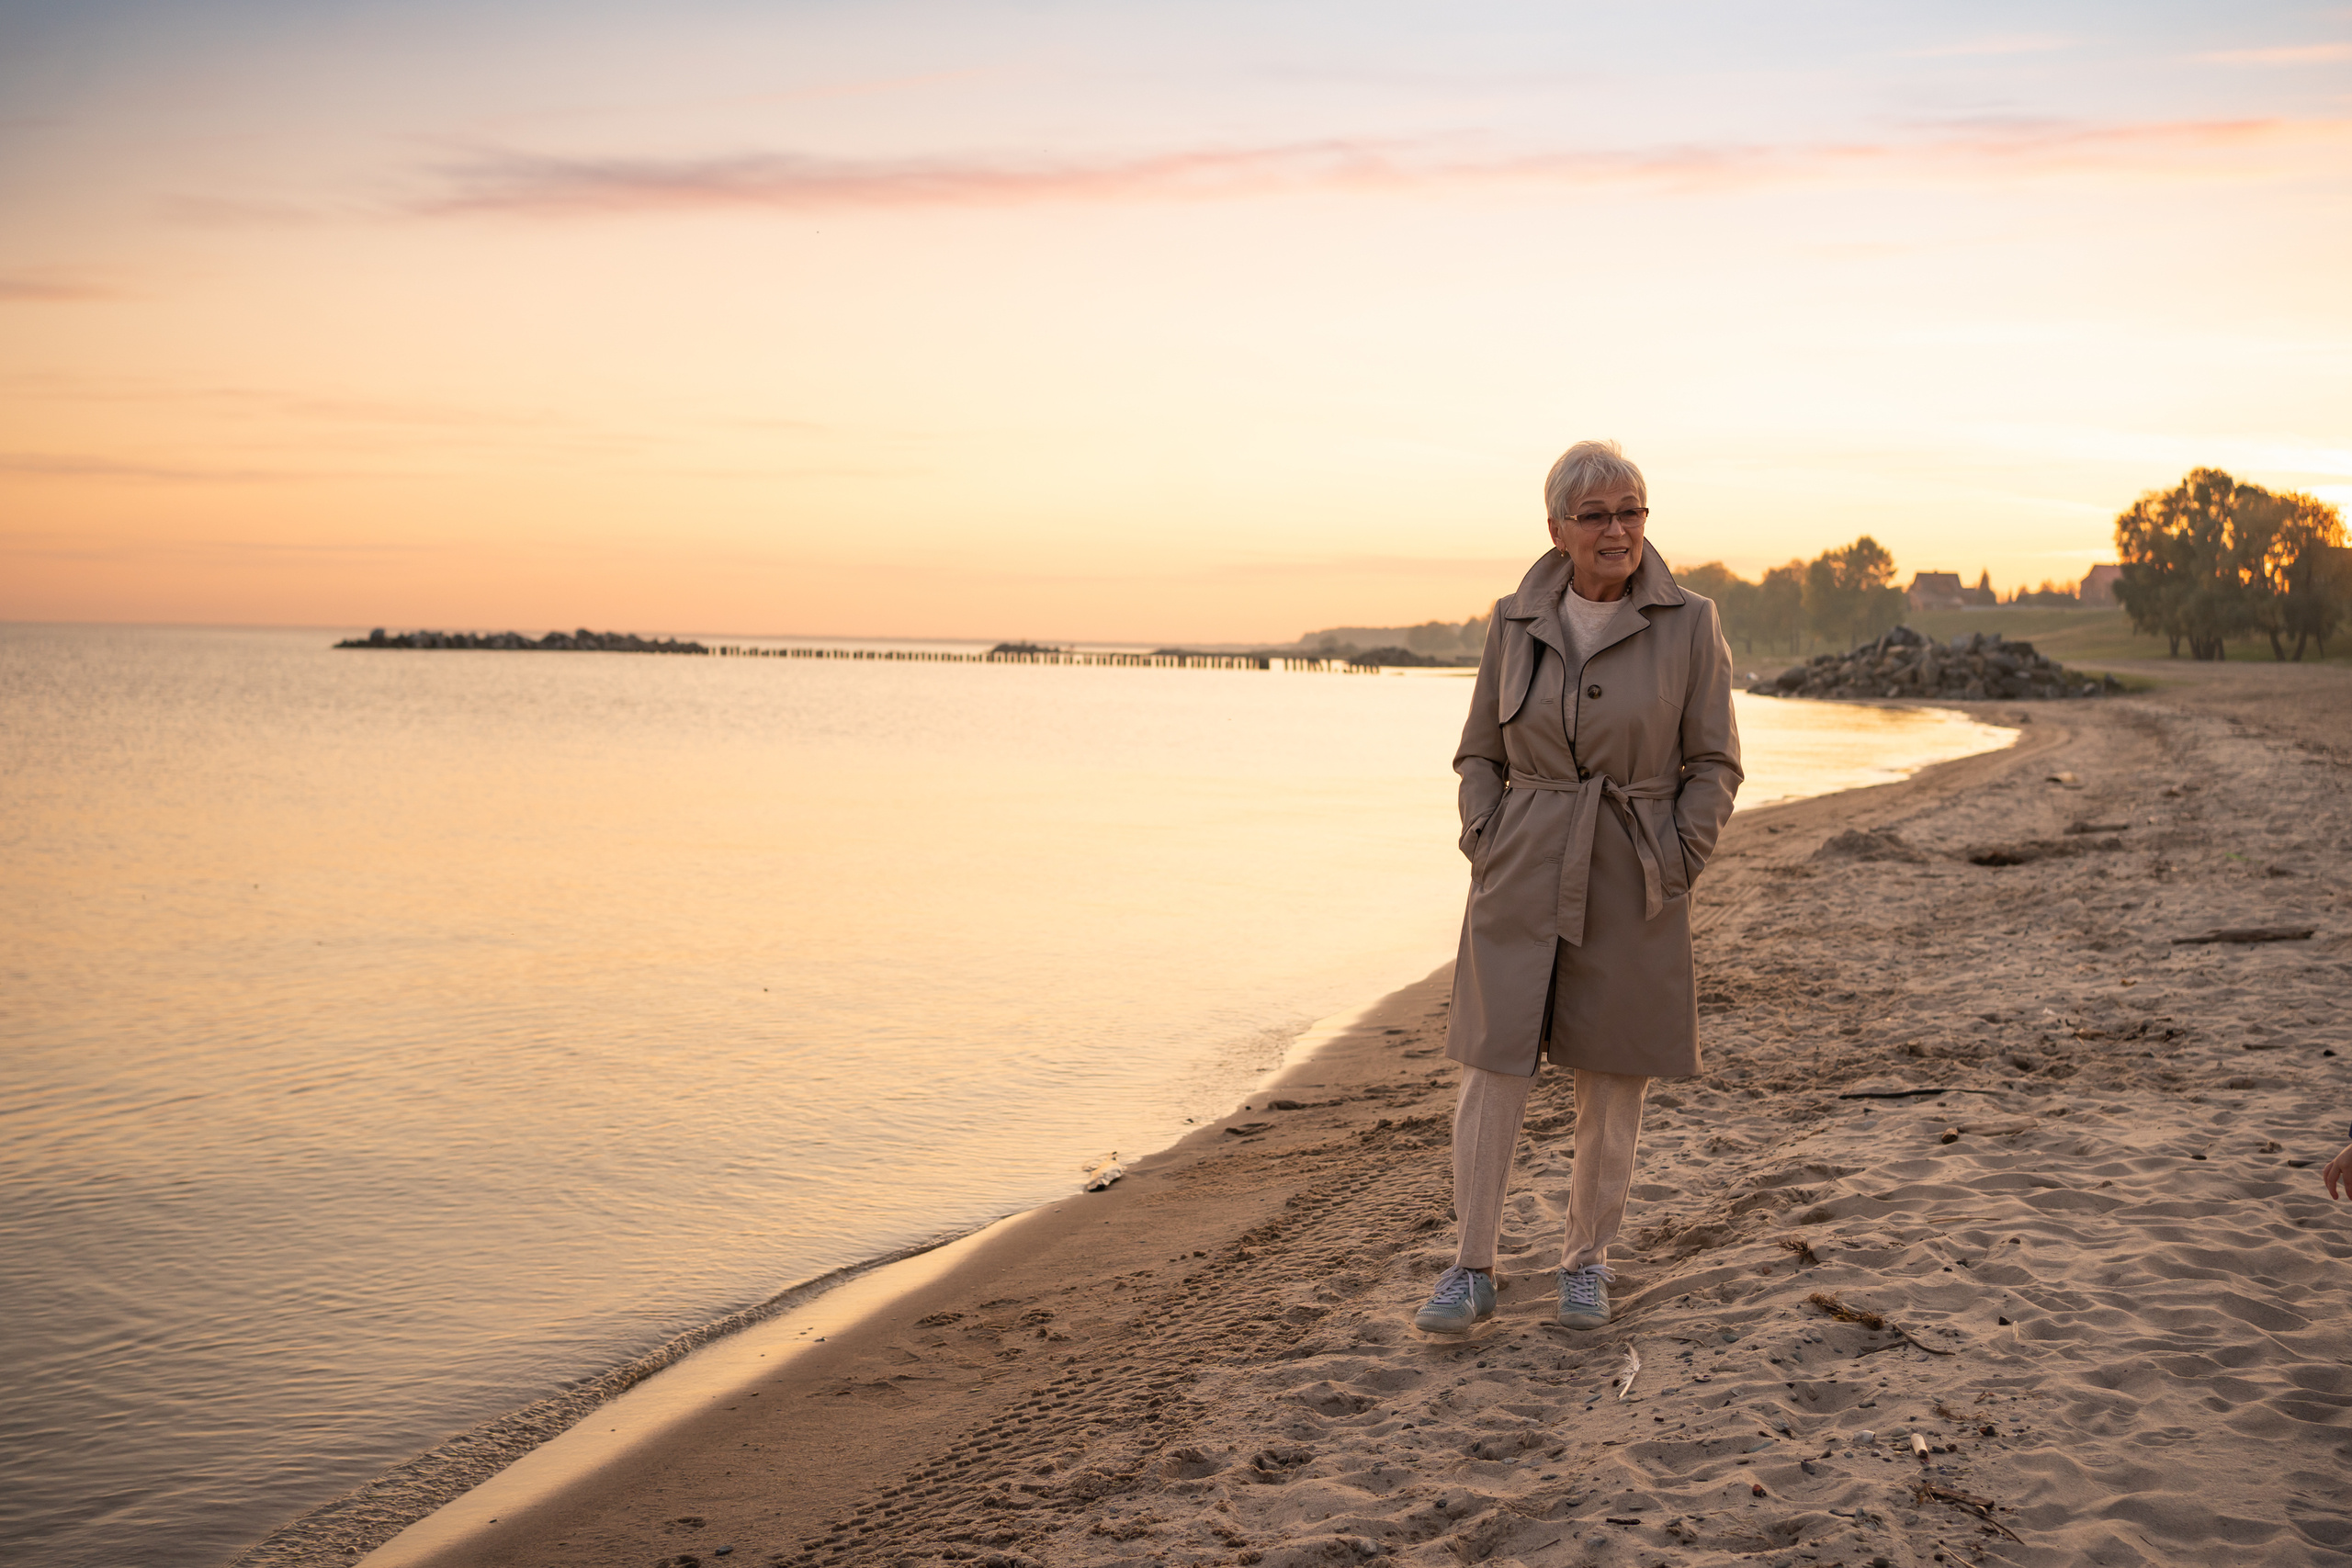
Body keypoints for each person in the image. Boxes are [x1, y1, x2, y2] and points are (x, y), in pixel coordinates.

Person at [1414, 439, 1743, 1335]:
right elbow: (1478, 750)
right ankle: (1469, 1267)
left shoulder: (1689, 621)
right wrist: (1486, 838)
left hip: (1633, 867)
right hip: (1520, 863)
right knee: (1492, 1066)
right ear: (1556, 529)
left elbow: (1714, 761)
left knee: (1612, 1075)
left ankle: (1584, 1263)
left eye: (1631, 510)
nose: (1617, 529)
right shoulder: (1512, 620)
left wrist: (1676, 858)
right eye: (1595, 514)